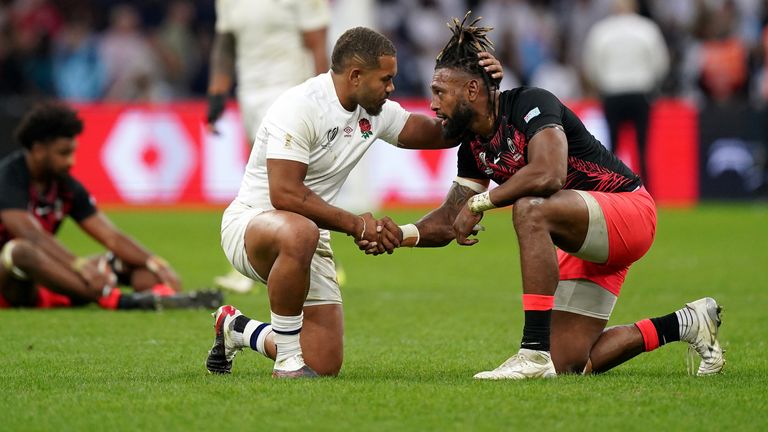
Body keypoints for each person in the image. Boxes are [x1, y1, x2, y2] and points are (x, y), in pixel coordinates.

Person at [363, 12, 723, 379]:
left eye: (440, 92)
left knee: (530, 208)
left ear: (472, 90)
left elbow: (549, 174)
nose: (434, 103)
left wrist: (481, 201)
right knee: (569, 364)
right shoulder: (472, 145)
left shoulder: (530, 103)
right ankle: (685, 323)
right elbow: (449, 219)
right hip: (582, 235)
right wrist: (400, 235)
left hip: (629, 214)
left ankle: (531, 353)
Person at [205, 26, 504, 378]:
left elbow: (442, 133)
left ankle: (236, 328)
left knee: (324, 362)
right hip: (254, 224)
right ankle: (287, 362)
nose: (392, 87)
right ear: (356, 75)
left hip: (307, 235)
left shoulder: (375, 111)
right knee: (300, 232)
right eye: (386, 79)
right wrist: (356, 224)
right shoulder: (300, 106)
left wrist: (486, 95)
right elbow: (284, 194)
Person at [0, 102, 222, 310]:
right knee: (19, 250)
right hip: (11, 284)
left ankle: (157, 296)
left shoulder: (65, 187)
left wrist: (155, 263)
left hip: (52, 280)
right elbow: (32, 235)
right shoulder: (8, 178)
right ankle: (118, 300)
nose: (71, 161)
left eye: (72, 152)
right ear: (38, 150)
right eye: (63, 153)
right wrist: (79, 265)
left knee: (124, 261)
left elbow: (112, 237)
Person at [205, 0, 331, 293]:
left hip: (290, 90)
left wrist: (325, 99)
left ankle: (262, 262)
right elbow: (226, 42)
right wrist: (217, 90)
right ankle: (312, 259)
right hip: (249, 93)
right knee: (266, 181)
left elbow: (317, 41)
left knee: (277, 183)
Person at [582, 0, 669, 190]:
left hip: (612, 92)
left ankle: (612, 190)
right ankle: (647, 193)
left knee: (612, 147)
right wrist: (650, 82)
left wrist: (602, 84)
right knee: (642, 147)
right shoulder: (647, 29)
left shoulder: (601, 31)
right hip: (640, 91)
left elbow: (591, 65)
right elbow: (661, 62)